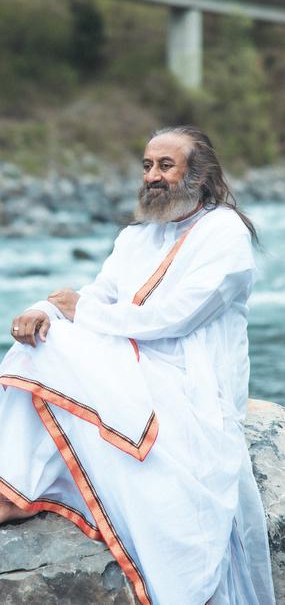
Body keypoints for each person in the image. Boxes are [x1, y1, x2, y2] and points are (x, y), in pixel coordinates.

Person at [0, 126, 275, 605]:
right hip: (132, 365)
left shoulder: (225, 235)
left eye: (166, 166)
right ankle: (15, 489)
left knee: (53, 345)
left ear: (201, 174)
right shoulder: (138, 236)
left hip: (191, 388)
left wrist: (76, 313)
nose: (153, 176)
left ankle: (17, 489)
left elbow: (176, 317)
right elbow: (97, 293)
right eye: (148, 165)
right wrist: (45, 309)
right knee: (38, 342)